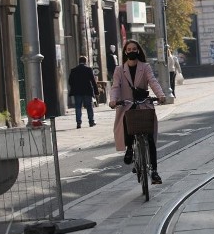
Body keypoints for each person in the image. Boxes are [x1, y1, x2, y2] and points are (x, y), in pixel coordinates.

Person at [108, 40, 166, 184]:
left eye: (135, 48)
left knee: (150, 138)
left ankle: (154, 171)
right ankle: (129, 149)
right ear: (125, 52)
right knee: (126, 121)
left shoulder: (145, 67)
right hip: (126, 104)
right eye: (129, 49)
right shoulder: (119, 70)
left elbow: (152, 81)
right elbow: (115, 87)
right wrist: (113, 100)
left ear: (138, 51)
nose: (132, 51)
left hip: (144, 103)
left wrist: (160, 95)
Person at [68, 55, 99, 129]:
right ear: (85, 62)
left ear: (79, 62)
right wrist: (96, 91)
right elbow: (93, 81)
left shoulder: (73, 70)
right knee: (89, 106)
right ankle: (91, 121)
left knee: (78, 107)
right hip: (87, 91)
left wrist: (74, 87)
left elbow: (70, 81)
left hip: (77, 92)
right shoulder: (88, 69)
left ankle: (78, 123)